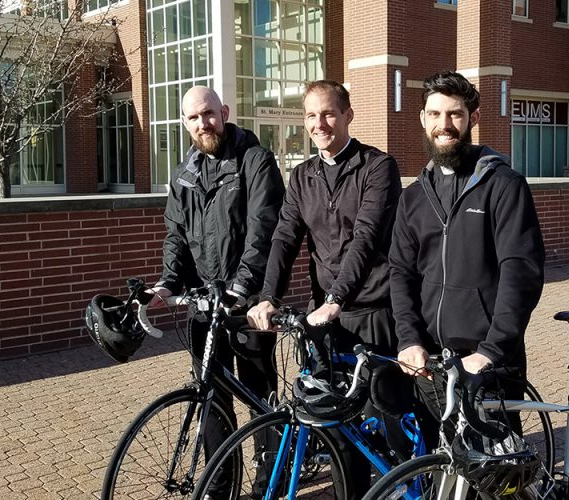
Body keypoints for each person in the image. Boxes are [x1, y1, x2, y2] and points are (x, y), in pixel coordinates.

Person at [247, 79, 402, 496]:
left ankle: (412, 482)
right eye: (312, 115)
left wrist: (337, 298)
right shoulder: (302, 176)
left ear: (348, 115)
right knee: (338, 430)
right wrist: (268, 296)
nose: (320, 123)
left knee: (387, 424)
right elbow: (284, 237)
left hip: (374, 312)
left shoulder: (377, 167)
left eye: (329, 113)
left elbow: (366, 239)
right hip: (327, 319)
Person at [389, 71, 545, 441]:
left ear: (473, 119)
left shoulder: (503, 186)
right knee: (438, 468)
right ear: (423, 119)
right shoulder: (414, 197)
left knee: (496, 481)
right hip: (430, 363)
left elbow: (520, 271)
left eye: (455, 114)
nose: (444, 125)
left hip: (486, 363)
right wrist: (409, 340)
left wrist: (490, 351)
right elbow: (400, 273)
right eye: (435, 114)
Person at [149, 85, 285, 498]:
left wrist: (243, 286)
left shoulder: (255, 160)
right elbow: (176, 236)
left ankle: (271, 482)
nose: (203, 123)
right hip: (204, 305)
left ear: (223, 112)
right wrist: (168, 282)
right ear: (184, 123)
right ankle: (220, 487)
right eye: (193, 117)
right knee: (211, 397)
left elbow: (263, 230)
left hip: (245, 304)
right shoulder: (183, 174)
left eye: (209, 113)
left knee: (261, 395)